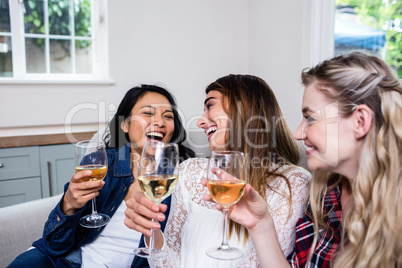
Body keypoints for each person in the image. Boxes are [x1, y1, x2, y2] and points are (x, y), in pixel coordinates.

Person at [215, 52, 402, 267]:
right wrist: (260, 224)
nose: (298, 134)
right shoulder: (325, 194)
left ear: (360, 121)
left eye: (310, 118)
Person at [124, 74, 312, 267]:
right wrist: (151, 232)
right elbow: (170, 263)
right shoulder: (189, 171)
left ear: (243, 108)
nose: (200, 122)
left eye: (210, 106)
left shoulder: (293, 183)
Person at [7, 84, 195, 268]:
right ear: (125, 125)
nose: (160, 122)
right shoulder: (101, 163)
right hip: (68, 260)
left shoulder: (185, 176)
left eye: (168, 116)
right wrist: (68, 205)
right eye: (148, 113)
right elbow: (54, 244)